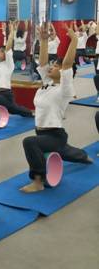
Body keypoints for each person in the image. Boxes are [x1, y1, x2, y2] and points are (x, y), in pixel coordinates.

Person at [20, 23, 93, 193]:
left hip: (54, 135)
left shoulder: (65, 89)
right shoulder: (47, 83)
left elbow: (67, 64)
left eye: (56, 66)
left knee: (29, 142)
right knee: (66, 152)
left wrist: (74, 40)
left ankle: (38, 181)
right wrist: (44, 41)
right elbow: (43, 62)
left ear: (64, 73)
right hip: (42, 133)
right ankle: (83, 156)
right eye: (53, 65)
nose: (52, 66)